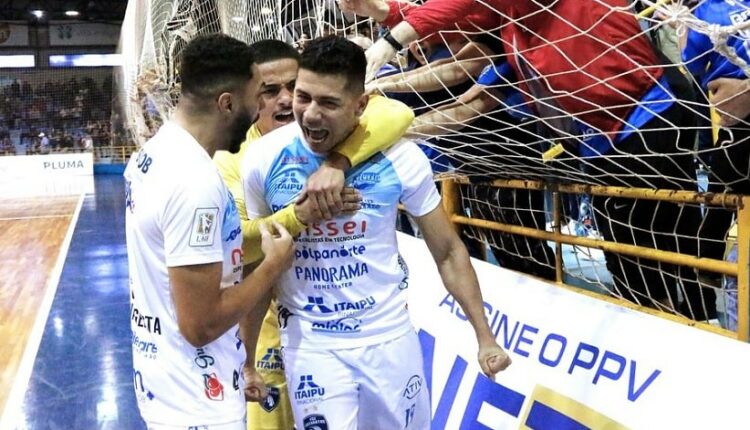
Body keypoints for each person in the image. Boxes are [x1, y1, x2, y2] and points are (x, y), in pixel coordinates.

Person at [344, 0, 715, 319]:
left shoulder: (543, 12)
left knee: (671, 240)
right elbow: (459, 64)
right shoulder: (511, 30)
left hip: (649, 120)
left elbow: (458, 50)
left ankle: (697, 323)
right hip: (596, 144)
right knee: (627, 254)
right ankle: (659, 321)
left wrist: (390, 39)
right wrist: (385, 19)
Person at [241, 36, 511, 430]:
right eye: (304, 97)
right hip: (312, 344)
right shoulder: (263, 160)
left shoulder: (402, 158)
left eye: (329, 103)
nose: (311, 115)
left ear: (361, 104)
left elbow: (448, 251)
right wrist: (247, 360)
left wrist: (484, 336)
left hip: (390, 340)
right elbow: (261, 267)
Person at [212, 38, 415, 430]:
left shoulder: (346, 130)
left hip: (350, 331)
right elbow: (241, 244)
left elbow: (398, 112)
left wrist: (340, 161)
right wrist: (301, 214)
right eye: (271, 92)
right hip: (267, 323)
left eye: (295, 88)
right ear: (251, 97)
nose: (287, 101)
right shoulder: (235, 158)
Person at [124, 34, 294, 430]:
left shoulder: (152, 154)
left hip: (171, 384)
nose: (259, 111)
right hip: (196, 404)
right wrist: (272, 266)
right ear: (227, 103)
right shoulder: (194, 183)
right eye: (257, 96)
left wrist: (238, 365)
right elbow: (199, 325)